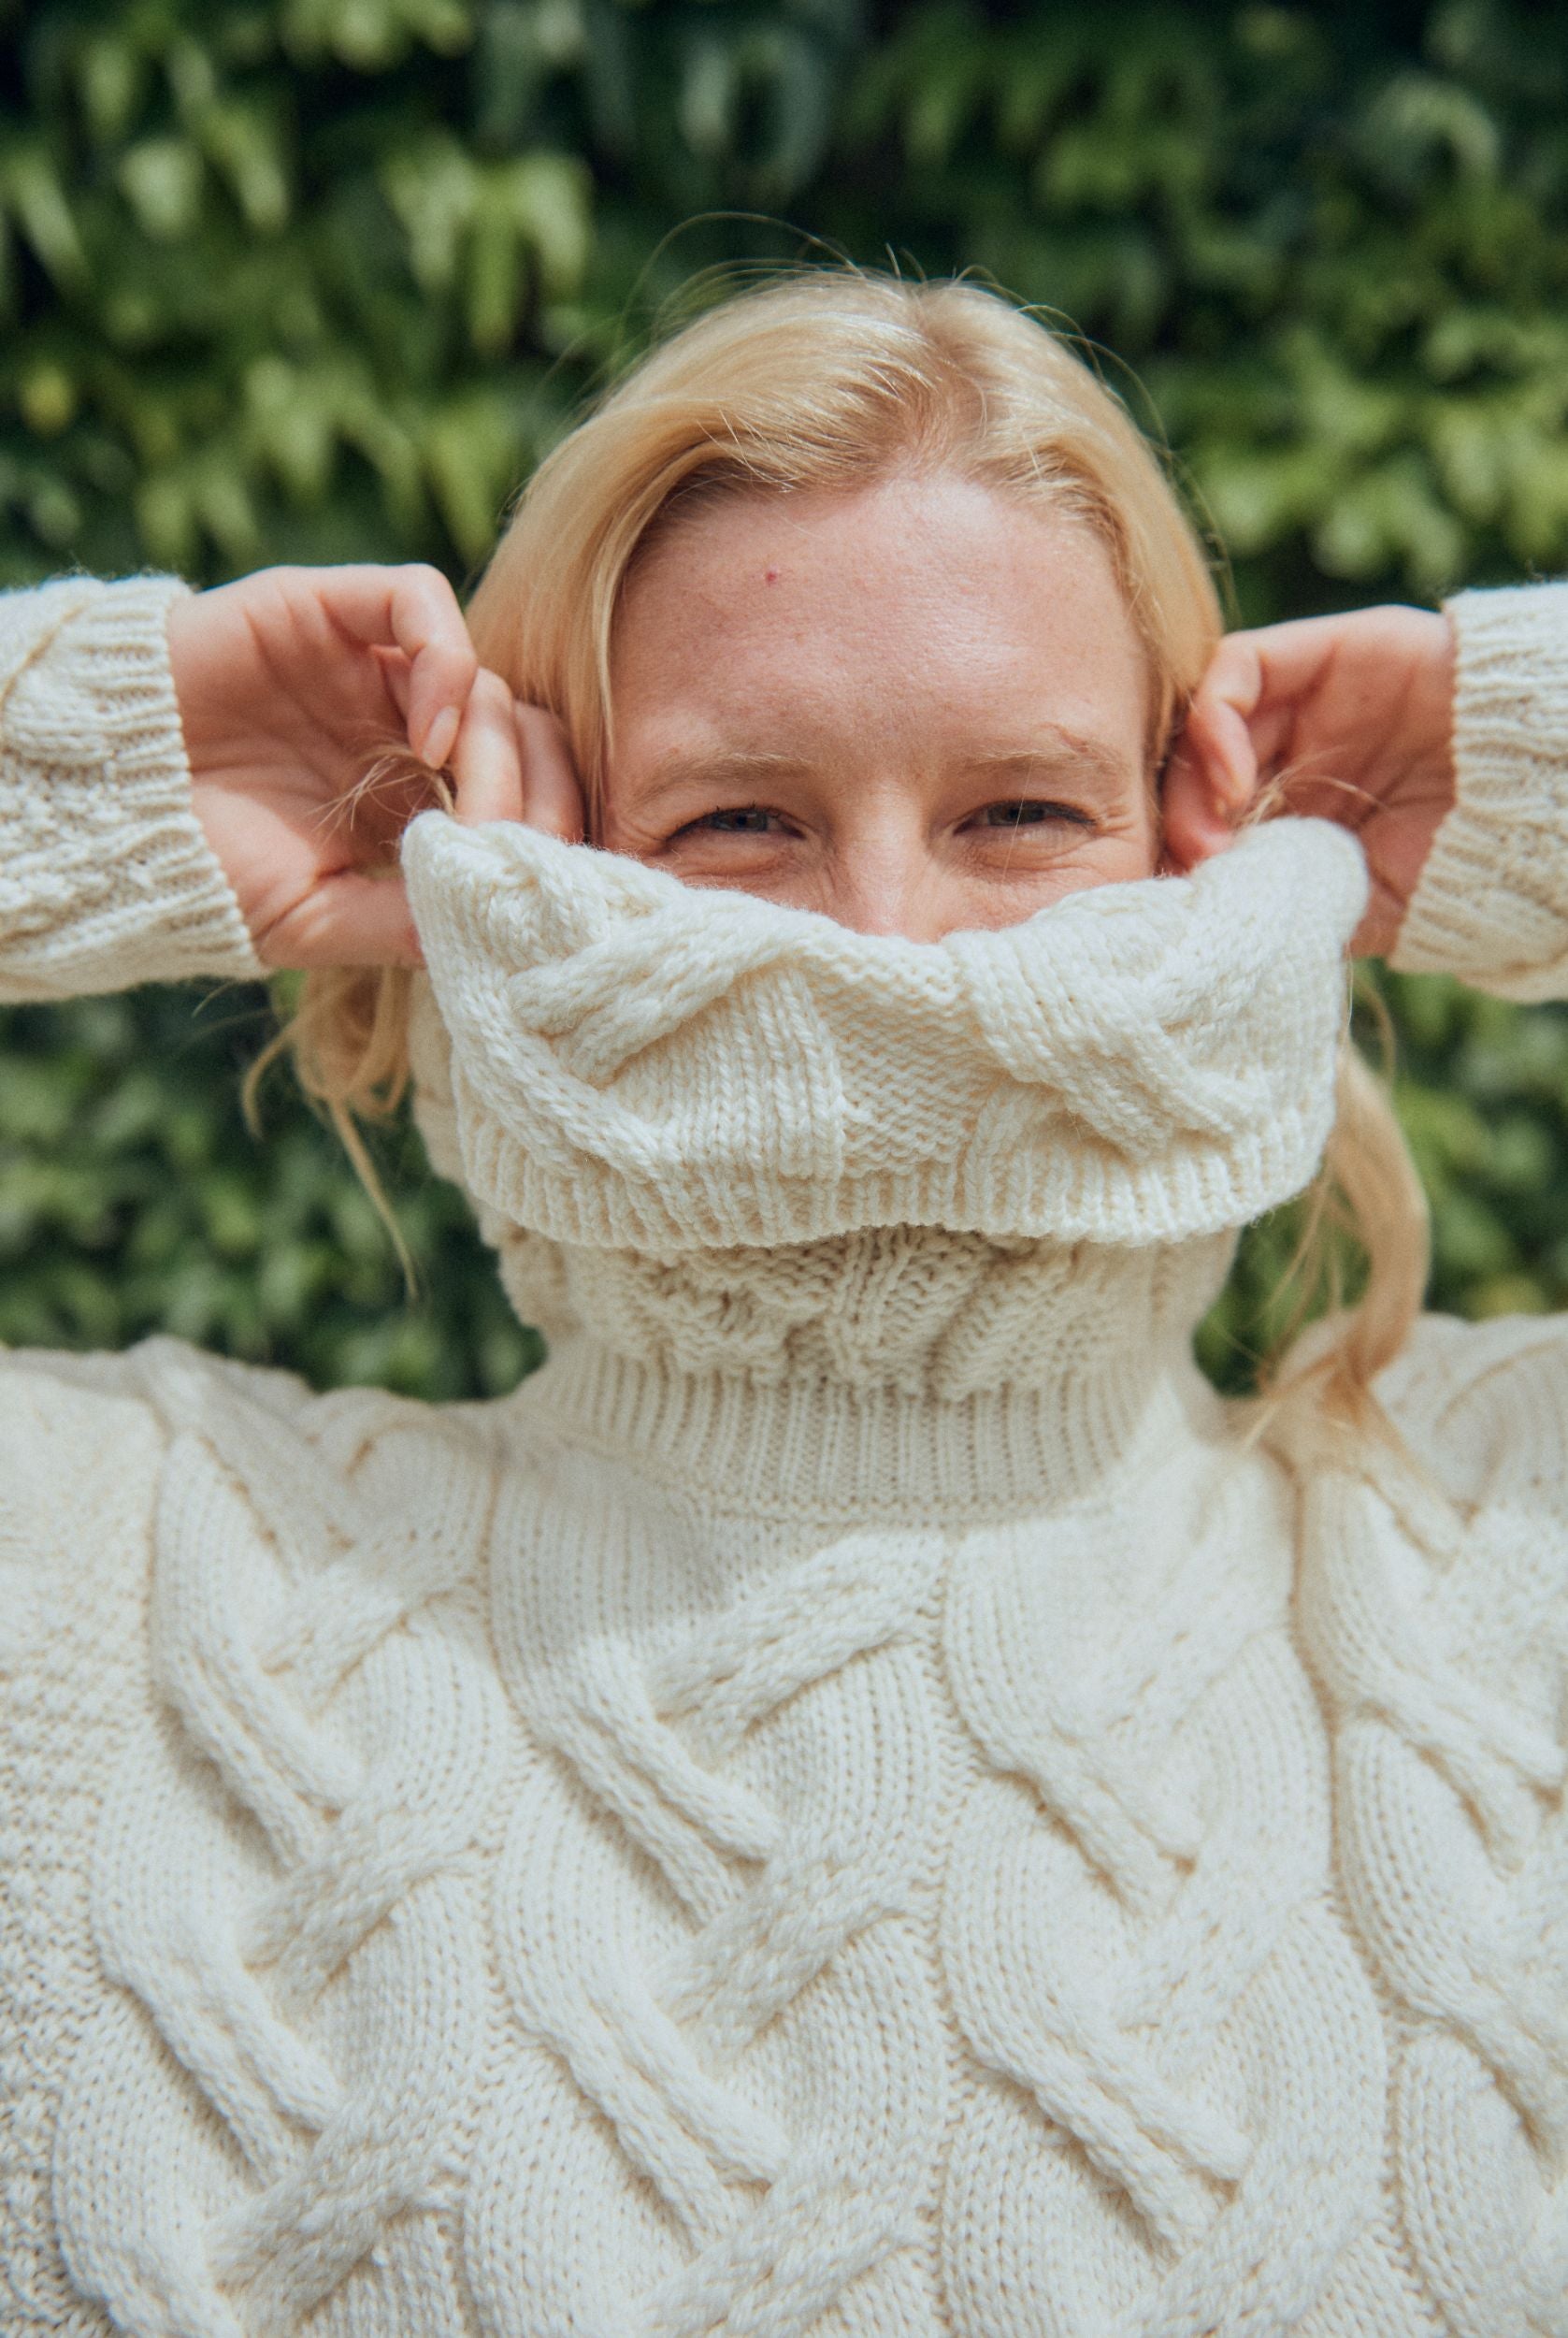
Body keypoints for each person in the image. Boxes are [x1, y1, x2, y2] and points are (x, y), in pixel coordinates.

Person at [0, 269, 1562, 2338]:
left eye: (1022, 810)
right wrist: (111, 782)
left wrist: (1516, 769)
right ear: (529, 858)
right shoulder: (109, 1576)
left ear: (1205, 847)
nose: (889, 941)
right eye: (737, 818)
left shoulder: (1506, 1553)